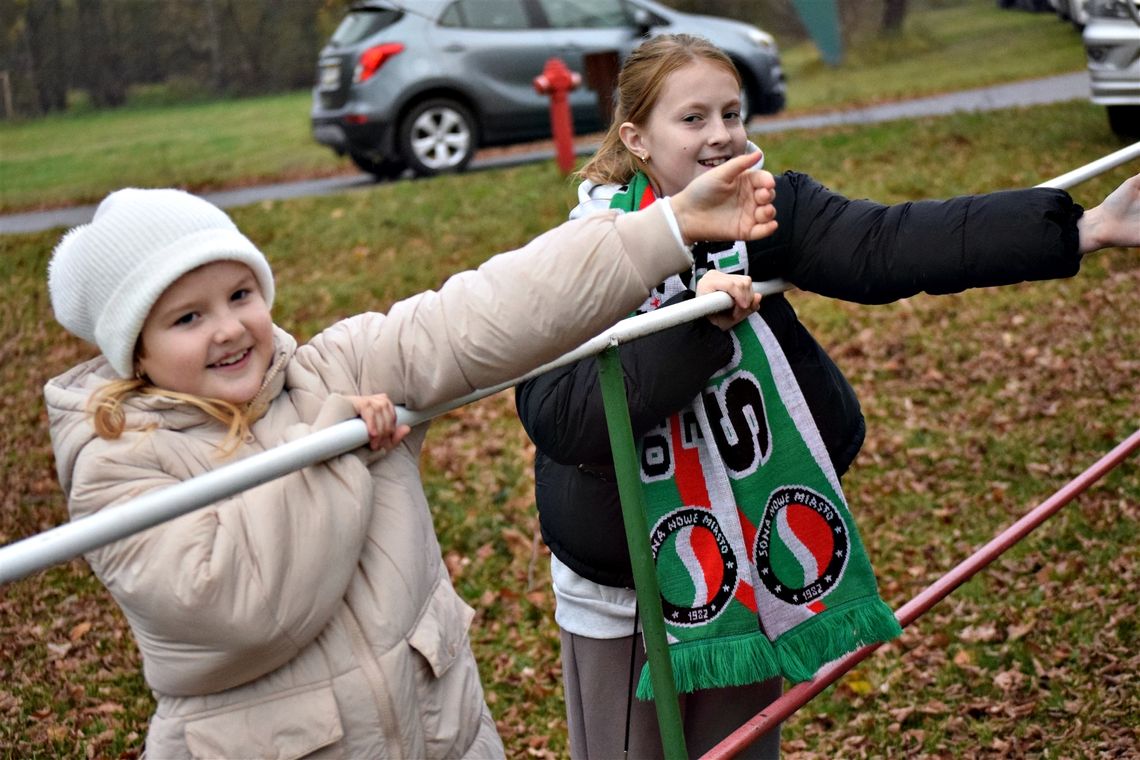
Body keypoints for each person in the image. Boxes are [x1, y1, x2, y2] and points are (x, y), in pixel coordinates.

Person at [514, 33, 1140, 760]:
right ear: (638, 138)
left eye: (732, 113)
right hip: (625, 587)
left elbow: (889, 243)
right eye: (693, 119)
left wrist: (1083, 228)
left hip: (753, 564)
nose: (721, 136)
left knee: (742, 750)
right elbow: (562, 417)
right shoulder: (586, 250)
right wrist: (693, 326)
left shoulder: (764, 211)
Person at [42, 157, 779, 760]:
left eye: (240, 293)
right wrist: (335, 443)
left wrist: (663, 229)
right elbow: (236, 606)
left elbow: (481, 313)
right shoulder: (117, 461)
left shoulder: (330, 369)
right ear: (132, 346)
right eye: (188, 317)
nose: (231, 329)